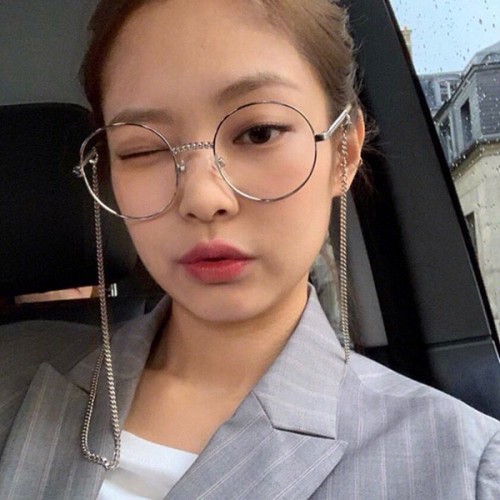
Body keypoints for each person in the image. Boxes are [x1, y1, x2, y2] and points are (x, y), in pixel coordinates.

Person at [0, 0, 498, 498]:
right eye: (143, 149)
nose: (202, 198)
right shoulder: (14, 373)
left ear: (343, 152)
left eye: (259, 133)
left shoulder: (463, 469)